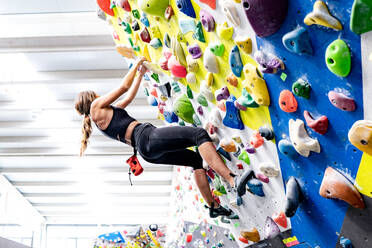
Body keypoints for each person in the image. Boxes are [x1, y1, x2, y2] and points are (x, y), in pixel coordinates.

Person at [74, 57, 239, 218]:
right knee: (199, 135)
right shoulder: (96, 107)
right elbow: (124, 87)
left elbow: (128, 98)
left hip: (147, 152)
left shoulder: (101, 118)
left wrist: (140, 74)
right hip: (146, 137)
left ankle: (213, 206)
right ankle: (231, 179)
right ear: (92, 98)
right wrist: (137, 63)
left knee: (195, 160)